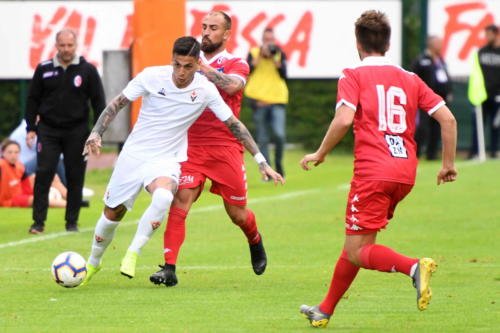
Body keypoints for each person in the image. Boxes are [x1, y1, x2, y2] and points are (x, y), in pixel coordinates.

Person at [81, 36, 283, 286]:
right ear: (171, 60)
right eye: (177, 65)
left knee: (165, 197)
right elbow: (117, 103)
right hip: (134, 155)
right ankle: (93, 262)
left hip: (167, 158)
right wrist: (96, 132)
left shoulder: (205, 89)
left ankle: (133, 254)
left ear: (198, 64)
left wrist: (261, 160)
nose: (181, 72)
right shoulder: (152, 76)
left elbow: (234, 124)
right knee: (113, 213)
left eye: (188, 66)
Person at [299, 10, 457, 328]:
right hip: (404, 173)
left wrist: (321, 152)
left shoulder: (353, 74)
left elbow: (344, 119)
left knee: (359, 249)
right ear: (387, 44)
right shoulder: (410, 78)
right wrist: (447, 165)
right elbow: (448, 119)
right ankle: (325, 309)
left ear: (358, 43)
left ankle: (414, 267)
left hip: (373, 172)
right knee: (357, 243)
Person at [149, 11, 278, 288]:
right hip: (191, 146)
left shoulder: (236, 63)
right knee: (180, 199)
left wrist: (202, 68)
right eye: (204, 27)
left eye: (213, 28)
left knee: (237, 214)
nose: (206, 32)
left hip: (225, 148)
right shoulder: (185, 62)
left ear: (227, 33)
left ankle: (254, 239)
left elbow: (232, 87)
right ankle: (169, 267)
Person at [25, 29, 105, 234]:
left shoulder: (87, 70)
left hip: (77, 131)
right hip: (48, 130)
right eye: (62, 45)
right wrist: (31, 129)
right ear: (56, 45)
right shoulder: (43, 69)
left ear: (76, 45)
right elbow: (32, 100)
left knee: (75, 176)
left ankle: (71, 223)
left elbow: (99, 103)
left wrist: (97, 133)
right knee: (44, 173)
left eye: (70, 45)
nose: (66, 49)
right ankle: (38, 222)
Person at [245, 28, 288, 177]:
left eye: (271, 40)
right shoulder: (254, 52)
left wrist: (274, 58)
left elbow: (284, 75)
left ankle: (279, 166)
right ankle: (267, 171)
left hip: (277, 99)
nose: (269, 43)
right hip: (259, 100)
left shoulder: (279, 53)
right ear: (262, 40)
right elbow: (247, 71)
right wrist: (260, 58)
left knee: (279, 134)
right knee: (262, 138)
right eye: (266, 40)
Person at [412, 36, 453, 160]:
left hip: (440, 99)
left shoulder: (441, 61)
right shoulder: (421, 60)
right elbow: (414, 77)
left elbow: (446, 78)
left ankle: (432, 154)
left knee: (438, 127)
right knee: (423, 127)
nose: (441, 46)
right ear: (431, 45)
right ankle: (416, 152)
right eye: (438, 43)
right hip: (425, 99)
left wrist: (449, 91)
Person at [0, 139, 66, 208]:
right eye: (9, 152)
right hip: (8, 199)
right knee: (35, 200)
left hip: (20, 192)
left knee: (51, 176)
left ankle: (72, 198)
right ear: (2, 153)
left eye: (16, 152)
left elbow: (28, 179)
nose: (13, 155)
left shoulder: (19, 166)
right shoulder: (1, 165)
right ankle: (68, 205)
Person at [469, 24, 500, 159]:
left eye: (489, 34)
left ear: (495, 34)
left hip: (497, 95)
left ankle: (495, 152)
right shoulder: (481, 52)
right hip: (482, 95)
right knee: (478, 124)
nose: (486, 37)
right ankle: (476, 152)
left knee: (496, 125)